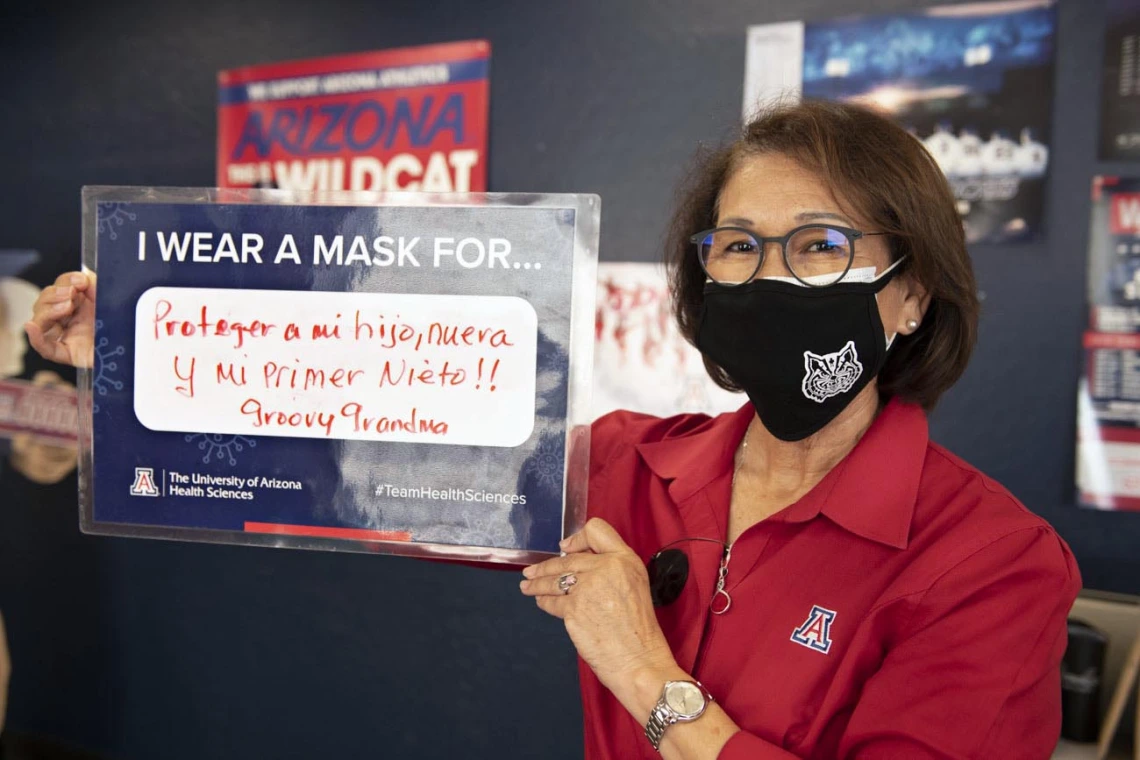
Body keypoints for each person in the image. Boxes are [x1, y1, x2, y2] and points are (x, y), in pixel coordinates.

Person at [27, 101, 1080, 759]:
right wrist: (135, 356)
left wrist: (649, 677)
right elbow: (360, 430)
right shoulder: (632, 463)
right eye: (739, 248)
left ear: (911, 295)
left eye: (817, 247)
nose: (769, 279)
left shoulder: (994, 566)